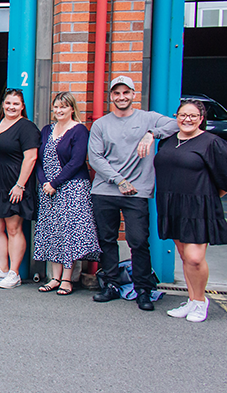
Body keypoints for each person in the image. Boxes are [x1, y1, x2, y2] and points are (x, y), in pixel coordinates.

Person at [89, 75, 178, 311]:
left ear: (133, 94)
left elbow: (176, 124)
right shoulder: (101, 124)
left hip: (136, 192)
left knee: (138, 241)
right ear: (111, 96)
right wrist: (119, 180)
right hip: (105, 190)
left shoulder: (148, 118)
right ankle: (111, 285)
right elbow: (95, 158)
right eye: (116, 93)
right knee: (106, 240)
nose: (121, 97)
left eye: (125, 92)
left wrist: (152, 134)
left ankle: (143, 290)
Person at [155, 100, 227, 322]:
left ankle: (200, 301)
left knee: (195, 258)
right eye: (183, 115)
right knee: (185, 257)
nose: (187, 119)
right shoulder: (167, 141)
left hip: (197, 208)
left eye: (193, 116)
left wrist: (206, 198)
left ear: (201, 119)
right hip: (172, 205)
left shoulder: (211, 142)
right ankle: (192, 300)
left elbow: (224, 180)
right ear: (176, 117)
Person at [33, 92, 100, 296]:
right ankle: (54, 277)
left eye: (64, 106)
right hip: (48, 189)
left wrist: (55, 182)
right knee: (53, 230)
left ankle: (67, 279)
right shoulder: (46, 130)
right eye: (56, 107)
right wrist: (45, 182)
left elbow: (77, 161)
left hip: (72, 188)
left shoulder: (79, 130)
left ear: (72, 109)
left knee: (68, 232)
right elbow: (38, 160)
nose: (59, 110)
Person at [0, 89, 40, 289]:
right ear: (3, 104)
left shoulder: (27, 128)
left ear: (22, 107)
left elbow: (31, 158)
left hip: (13, 185)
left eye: (15, 104)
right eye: (8, 103)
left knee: (13, 229)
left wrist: (20, 185)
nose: (11, 107)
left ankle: (14, 273)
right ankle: (2, 269)